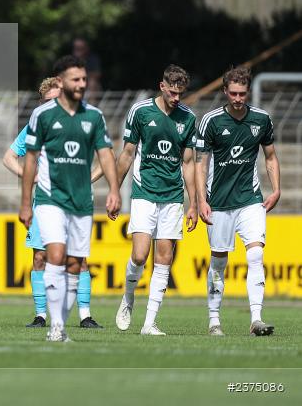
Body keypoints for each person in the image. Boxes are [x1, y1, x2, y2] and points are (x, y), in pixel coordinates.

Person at [19, 55, 120, 342]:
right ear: (61, 82)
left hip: (81, 202)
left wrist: (113, 189)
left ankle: (61, 320)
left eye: (84, 79)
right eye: (76, 79)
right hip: (51, 199)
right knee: (54, 255)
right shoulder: (43, 116)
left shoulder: (94, 117)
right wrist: (26, 202)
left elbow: (105, 155)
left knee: (75, 263)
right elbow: (30, 160)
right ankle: (55, 328)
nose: (82, 84)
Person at [3, 77, 102, 329]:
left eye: (56, 100)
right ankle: (40, 315)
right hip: (46, 201)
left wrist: (86, 179)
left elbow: (106, 157)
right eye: (47, 101)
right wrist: (30, 176)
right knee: (39, 257)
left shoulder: (83, 122)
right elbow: (9, 157)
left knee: (79, 259)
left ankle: (85, 316)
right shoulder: (37, 126)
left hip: (74, 201)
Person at [112, 65, 198, 336]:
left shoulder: (188, 118)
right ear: (162, 86)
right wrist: (114, 191)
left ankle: (150, 323)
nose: (176, 98)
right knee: (139, 255)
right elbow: (127, 153)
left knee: (164, 258)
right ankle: (128, 297)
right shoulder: (141, 111)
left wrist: (193, 203)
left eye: (180, 93)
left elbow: (188, 162)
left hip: (172, 196)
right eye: (172, 92)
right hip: (144, 192)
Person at [195, 66, 280, 337]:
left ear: (248, 92)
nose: (238, 98)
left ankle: (256, 318)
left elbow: (270, 156)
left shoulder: (261, 119)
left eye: (242, 93)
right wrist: (200, 201)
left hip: (250, 200)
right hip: (218, 202)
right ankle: (213, 319)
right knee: (219, 261)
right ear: (225, 92)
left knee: (255, 254)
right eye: (233, 93)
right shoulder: (212, 121)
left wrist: (276, 189)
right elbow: (200, 164)